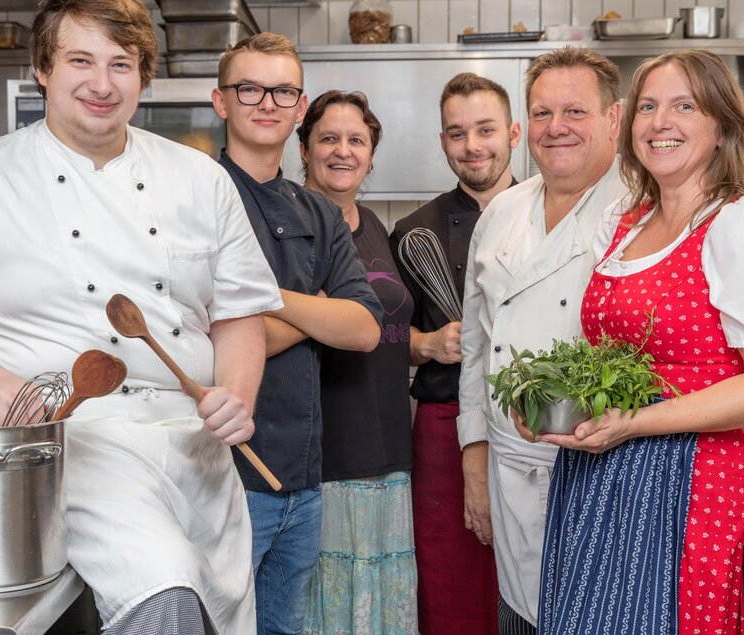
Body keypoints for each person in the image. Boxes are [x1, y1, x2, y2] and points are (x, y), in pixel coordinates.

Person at [0, 1, 282, 633]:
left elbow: (239, 316)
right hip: (71, 442)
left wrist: (237, 394)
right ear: (42, 68)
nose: (102, 83)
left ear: (143, 77)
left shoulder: (201, 179)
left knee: (214, 613)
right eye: (80, 60)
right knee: (164, 594)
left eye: (122, 64)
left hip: (198, 451)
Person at [524, 50, 744, 634]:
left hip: (694, 477)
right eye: (649, 107)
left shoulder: (743, 222)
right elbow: (607, 357)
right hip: (600, 467)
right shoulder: (625, 222)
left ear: (722, 126)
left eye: (685, 105)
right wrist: (549, 402)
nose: (660, 122)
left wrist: (634, 423)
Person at [212, 34, 383, 635]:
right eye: (250, 88)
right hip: (222, 481)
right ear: (221, 101)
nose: (267, 101)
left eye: (283, 90)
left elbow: (363, 328)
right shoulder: (194, 196)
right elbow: (198, 337)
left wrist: (262, 307)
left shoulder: (318, 212)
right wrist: (319, 315)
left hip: (303, 481)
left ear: (298, 103)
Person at [458, 47, 628, 635]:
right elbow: (478, 348)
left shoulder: (643, 209)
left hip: (605, 467)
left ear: (615, 119)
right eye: (542, 113)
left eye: (574, 111)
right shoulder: (502, 211)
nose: (556, 128)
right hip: (507, 464)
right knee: (520, 616)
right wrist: (473, 462)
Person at [390, 71, 519, 634]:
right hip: (444, 431)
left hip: (539, 424)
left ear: (513, 132)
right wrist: (424, 343)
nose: (473, 146)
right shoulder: (415, 231)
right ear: (443, 142)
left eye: (485, 129)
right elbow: (385, 338)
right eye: (457, 133)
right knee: (451, 580)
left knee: (537, 575)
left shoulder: (562, 215)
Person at [296, 90, 418, 635]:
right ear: (304, 149)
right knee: (325, 613)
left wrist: (428, 344)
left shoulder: (375, 227)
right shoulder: (288, 229)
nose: (342, 151)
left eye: (356, 140)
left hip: (389, 451)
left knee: (384, 615)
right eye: (328, 138)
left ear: (371, 154)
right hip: (320, 458)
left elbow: (385, 328)